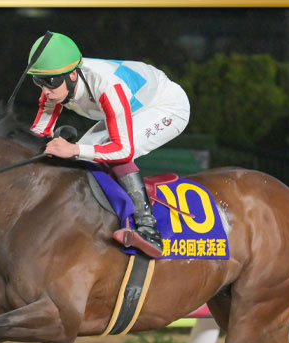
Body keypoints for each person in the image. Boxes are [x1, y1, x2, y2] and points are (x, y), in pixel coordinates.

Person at [26, 31, 190, 258]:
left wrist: (73, 149)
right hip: (129, 106)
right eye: (39, 81)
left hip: (165, 106)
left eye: (51, 82)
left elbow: (123, 150)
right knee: (83, 156)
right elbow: (37, 134)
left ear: (72, 75)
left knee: (103, 153)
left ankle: (148, 228)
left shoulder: (106, 87)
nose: (45, 90)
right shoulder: (54, 88)